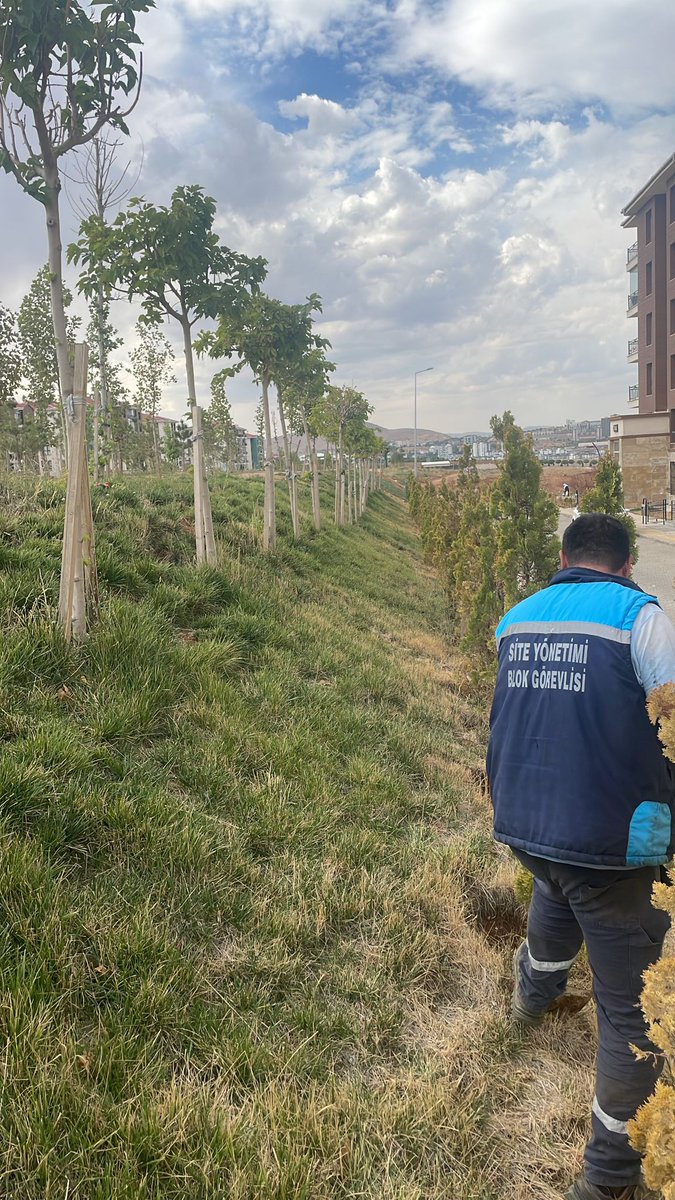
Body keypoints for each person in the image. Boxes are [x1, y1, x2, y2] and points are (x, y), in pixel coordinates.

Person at [486, 513, 675, 1200]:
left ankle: (529, 1005)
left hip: (525, 821)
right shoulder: (641, 619)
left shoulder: (516, 618)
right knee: (632, 1015)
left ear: (564, 560)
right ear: (627, 566)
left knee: (556, 890)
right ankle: (609, 1178)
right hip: (610, 843)